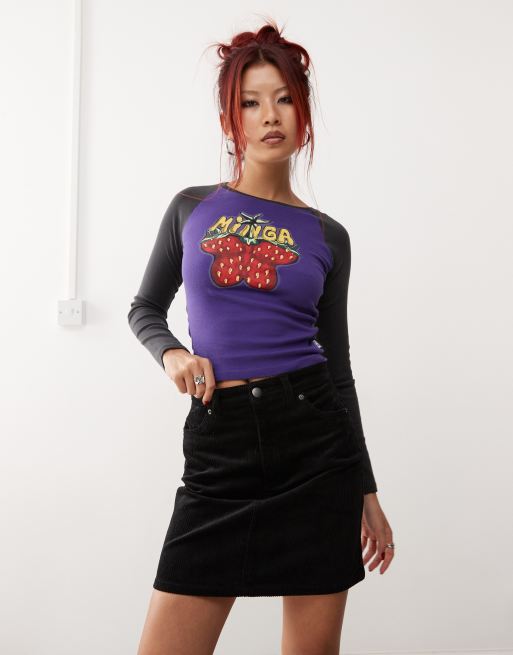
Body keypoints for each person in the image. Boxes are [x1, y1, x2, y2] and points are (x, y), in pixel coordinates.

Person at [128, 18, 394, 655]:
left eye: (283, 99)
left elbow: (339, 369)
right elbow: (145, 308)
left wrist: (367, 490)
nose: (269, 116)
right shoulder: (191, 208)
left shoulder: (328, 236)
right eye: (250, 102)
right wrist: (172, 354)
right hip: (219, 446)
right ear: (231, 119)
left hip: (315, 447)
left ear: (303, 114)